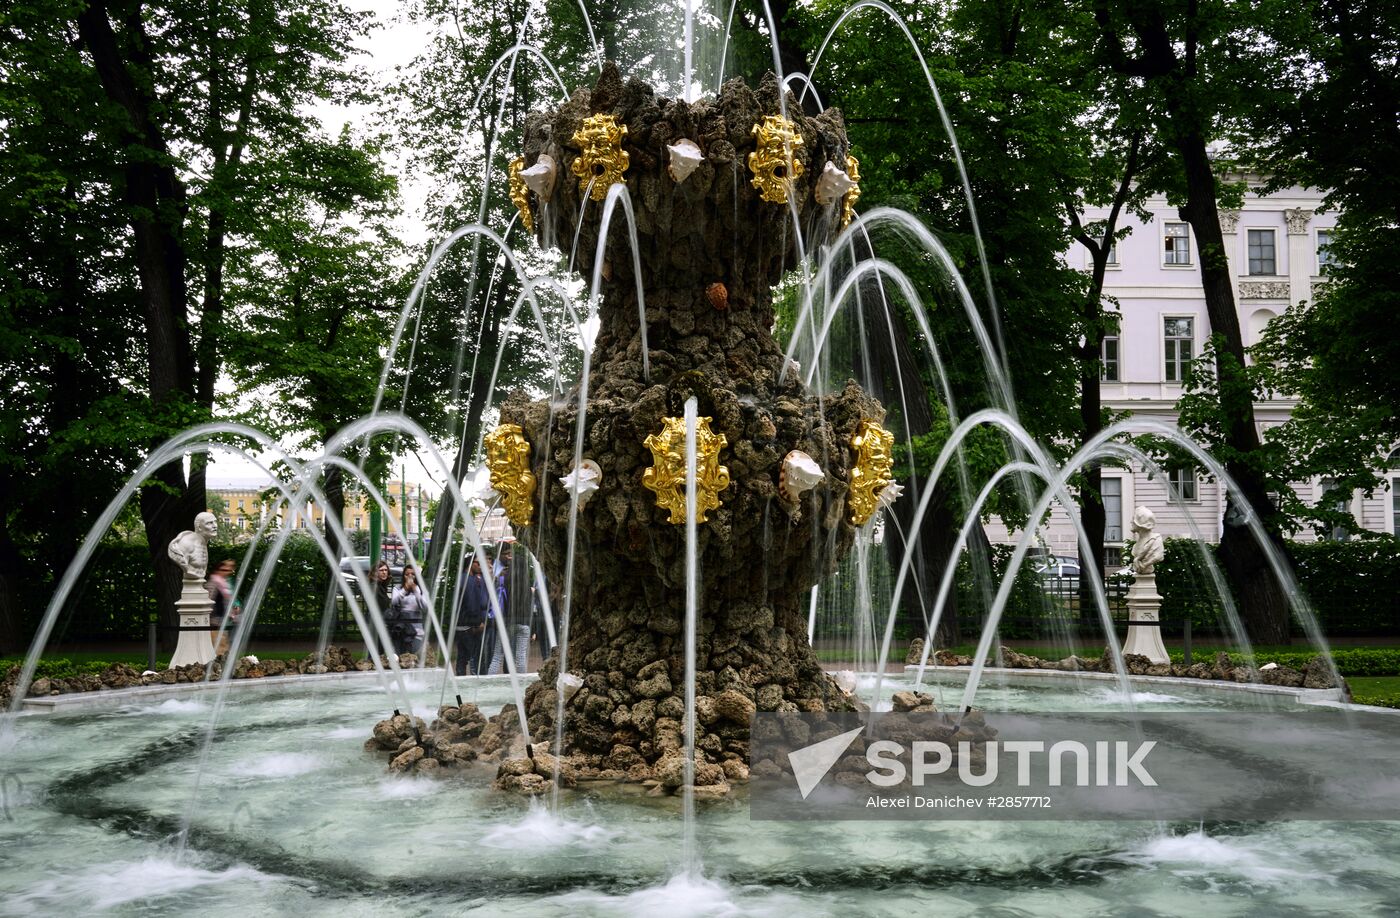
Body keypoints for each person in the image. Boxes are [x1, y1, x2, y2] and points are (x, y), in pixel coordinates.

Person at [490, 545, 533, 675]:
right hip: (524, 623)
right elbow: (531, 607)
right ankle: (521, 686)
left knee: (497, 656)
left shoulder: (504, 582)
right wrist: (534, 628)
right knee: (520, 658)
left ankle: (485, 684)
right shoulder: (527, 585)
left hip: (508, 622)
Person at [454, 557, 491, 675]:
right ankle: (479, 686)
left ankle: (461, 684)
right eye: (478, 563)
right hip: (469, 626)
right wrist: (477, 622)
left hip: (460, 624)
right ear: (470, 564)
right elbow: (472, 604)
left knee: (462, 659)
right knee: (477, 660)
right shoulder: (469, 580)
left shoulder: (461, 578)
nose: (481, 566)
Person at [390, 566, 428, 658]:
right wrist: (405, 589)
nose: (410, 577)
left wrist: (416, 591)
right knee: (402, 656)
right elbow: (394, 601)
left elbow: (425, 607)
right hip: (402, 627)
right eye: (407, 574)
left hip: (417, 628)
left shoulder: (421, 589)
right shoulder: (398, 588)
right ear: (403, 576)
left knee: (415, 655)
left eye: (413, 574)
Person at [207, 559, 236, 657]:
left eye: (229, 570)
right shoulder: (214, 582)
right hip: (215, 620)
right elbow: (209, 601)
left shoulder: (223, 583)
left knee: (223, 645)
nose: (227, 572)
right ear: (217, 570)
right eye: (224, 570)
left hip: (222, 619)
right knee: (219, 646)